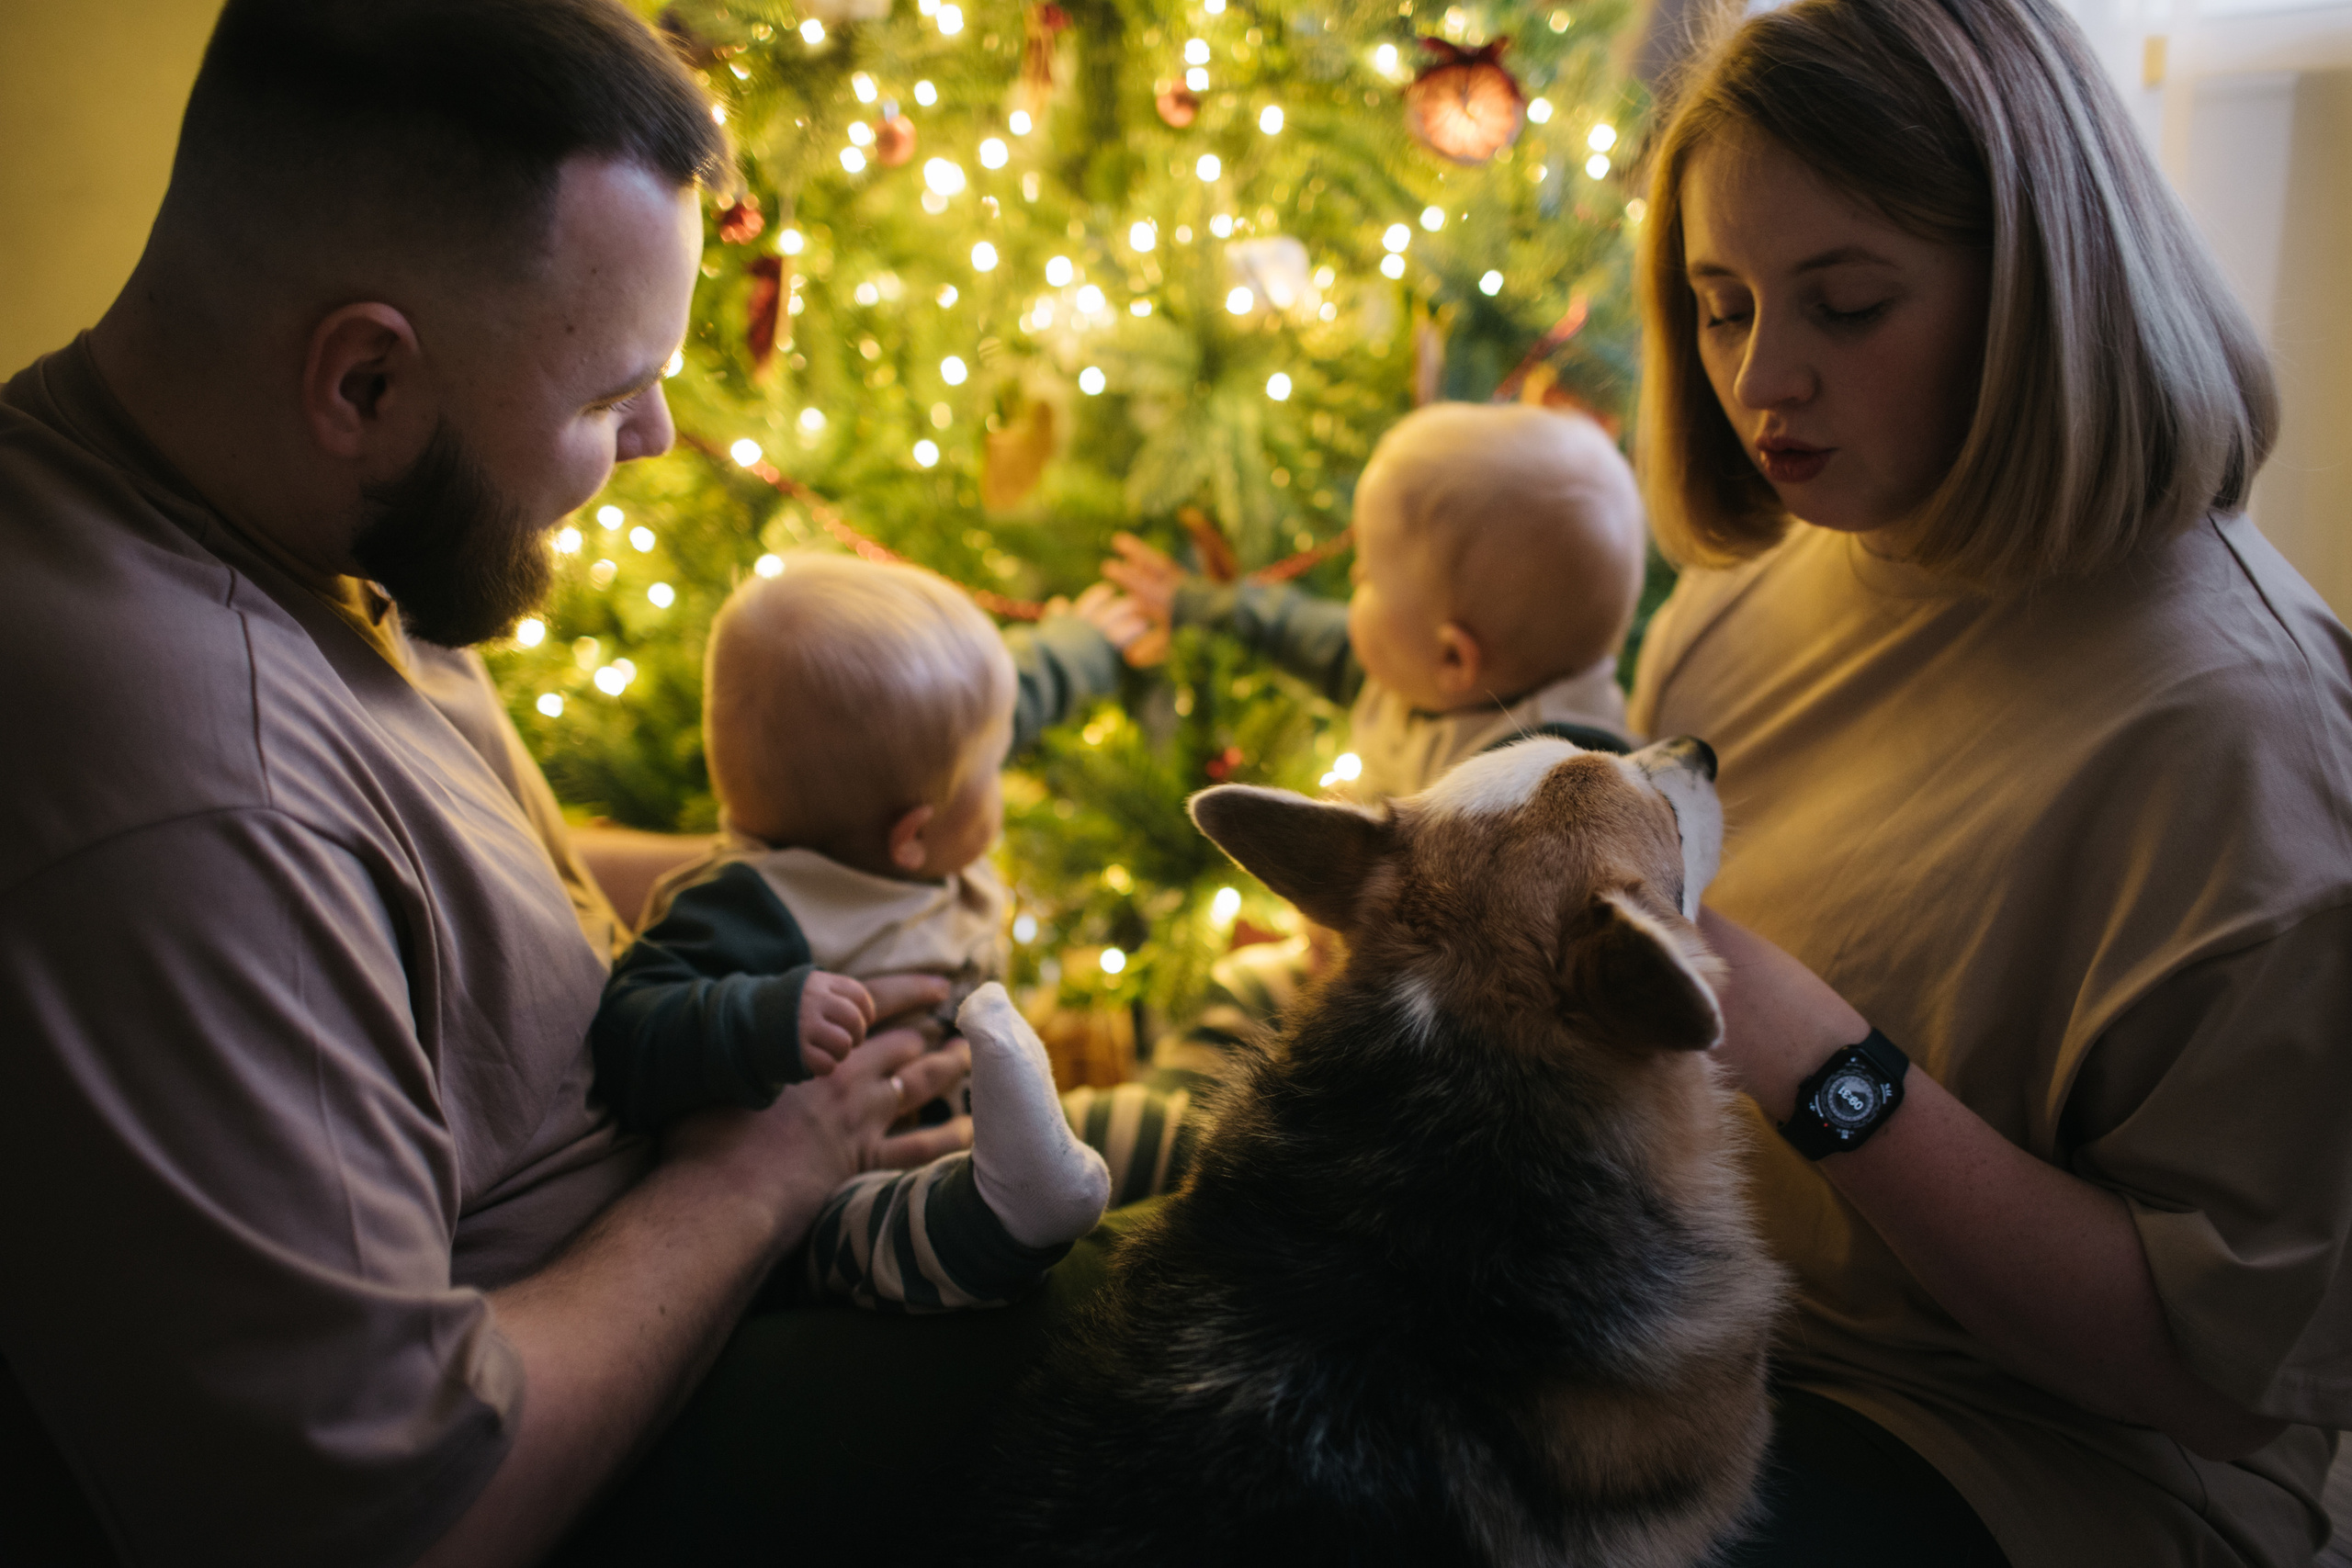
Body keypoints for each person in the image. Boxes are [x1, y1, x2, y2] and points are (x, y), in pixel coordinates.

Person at [0, 3, 979, 1565]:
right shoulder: (184, 795)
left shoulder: (278, 503)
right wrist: (758, 1180)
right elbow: (391, 1520)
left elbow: (410, 884)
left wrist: (809, 879)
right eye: (604, 396)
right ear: (364, 384)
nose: (657, 434)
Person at [1626, 0, 2352, 1564]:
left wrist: (1816, 1052)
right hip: (1703, 1329)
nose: (1764, 378)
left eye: (1848, 305)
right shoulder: (1735, 602)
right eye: (1720, 305)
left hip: (2037, 1453)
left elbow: (2216, 1377)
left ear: (2040, 292)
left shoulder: (2242, 725)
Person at [590, 555, 1195, 1314]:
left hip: (974, 1123)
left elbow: (1002, 702)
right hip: (845, 1188)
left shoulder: (914, 782)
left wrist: (1088, 644)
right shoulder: (752, 906)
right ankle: (1009, 1220)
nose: (1004, 767)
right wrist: (764, 1017)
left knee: (1163, 1128)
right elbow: (628, 1031)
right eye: (993, 770)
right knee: (886, 1230)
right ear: (912, 836)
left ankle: (1130, 1160)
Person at [1103, 400, 1648, 793]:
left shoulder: (1547, 794)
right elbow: (1294, 627)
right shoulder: (1423, 671)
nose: (1351, 577)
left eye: (1365, 579)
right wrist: (1194, 603)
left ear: (1454, 658)